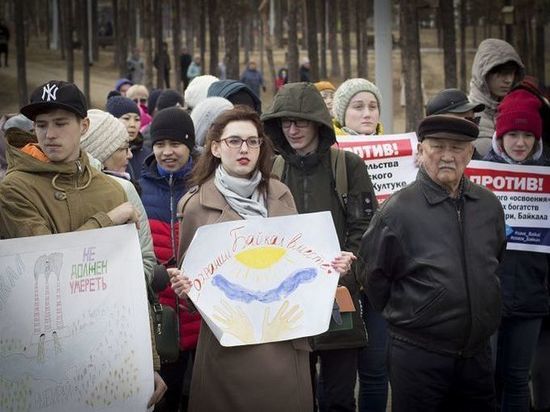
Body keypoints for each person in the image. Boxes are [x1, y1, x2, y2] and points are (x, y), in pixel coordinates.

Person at [169, 106, 356, 411]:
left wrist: (332, 267)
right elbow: (193, 292)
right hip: (228, 349)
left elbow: (301, 265)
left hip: (284, 342)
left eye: (253, 141)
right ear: (215, 147)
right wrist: (185, 286)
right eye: (234, 141)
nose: (244, 149)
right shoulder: (195, 206)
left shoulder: (281, 193)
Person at [0, 80, 167, 408]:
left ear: (84, 125)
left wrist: (149, 362)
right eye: (42, 125)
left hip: (109, 354)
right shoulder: (14, 189)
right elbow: (47, 265)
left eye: (61, 123)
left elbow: (129, 285)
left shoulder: (111, 189)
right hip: (44, 360)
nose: (49, 135)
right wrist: (107, 221)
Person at [359, 114, 506, 412]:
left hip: (477, 355)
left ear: (470, 153)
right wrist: (417, 314)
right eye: (438, 147)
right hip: (418, 356)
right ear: (421, 151)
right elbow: (373, 277)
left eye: (457, 148)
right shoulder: (397, 211)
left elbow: (495, 259)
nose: (448, 156)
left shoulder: (489, 205)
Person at [262, 82, 377, 412]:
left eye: (301, 121)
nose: (293, 130)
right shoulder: (272, 169)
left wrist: (349, 267)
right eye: (285, 122)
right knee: (297, 395)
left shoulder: (348, 166)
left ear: (318, 123)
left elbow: (364, 227)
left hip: (338, 295)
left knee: (340, 397)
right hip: (289, 298)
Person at [483, 89, 549, 412]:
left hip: (532, 294)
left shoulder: (548, 174)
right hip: (488, 295)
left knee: (518, 379)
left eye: (527, 135)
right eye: (512, 134)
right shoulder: (478, 171)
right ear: (500, 134)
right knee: (487, 378)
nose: (520, 143)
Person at [332, 77, 388, 412]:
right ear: (342, 113)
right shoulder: (332, 155)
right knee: (339, 371)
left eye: (373, 106)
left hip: (382, 276)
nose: (366, 114)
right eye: (357, 106)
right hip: (343, 276)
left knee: (376, 368)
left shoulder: (402, 154)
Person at [139, 107, 200, 412]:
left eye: (175, 144)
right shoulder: (140, 186)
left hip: (201, 314)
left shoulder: (207, 182)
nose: (167, 152)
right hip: (161, 317)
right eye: (160, 145)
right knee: (165, 398)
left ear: (190, 145)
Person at [79, 109, 155, 282]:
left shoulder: (127, 185)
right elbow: (147, 261)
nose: (129, 155)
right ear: (100, 153)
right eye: (123, 148)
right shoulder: (124, 188)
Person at [469, 38, 524, 157]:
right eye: (502, 73)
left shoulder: (523, 111)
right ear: (483, 73)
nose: (508, 80)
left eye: (512, 73)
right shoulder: (464, 112)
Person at [106, 95, 151, 184]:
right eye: (126, 118)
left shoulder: (148, 155)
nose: (133, 124)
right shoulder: (104, 154)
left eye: (137, 119)